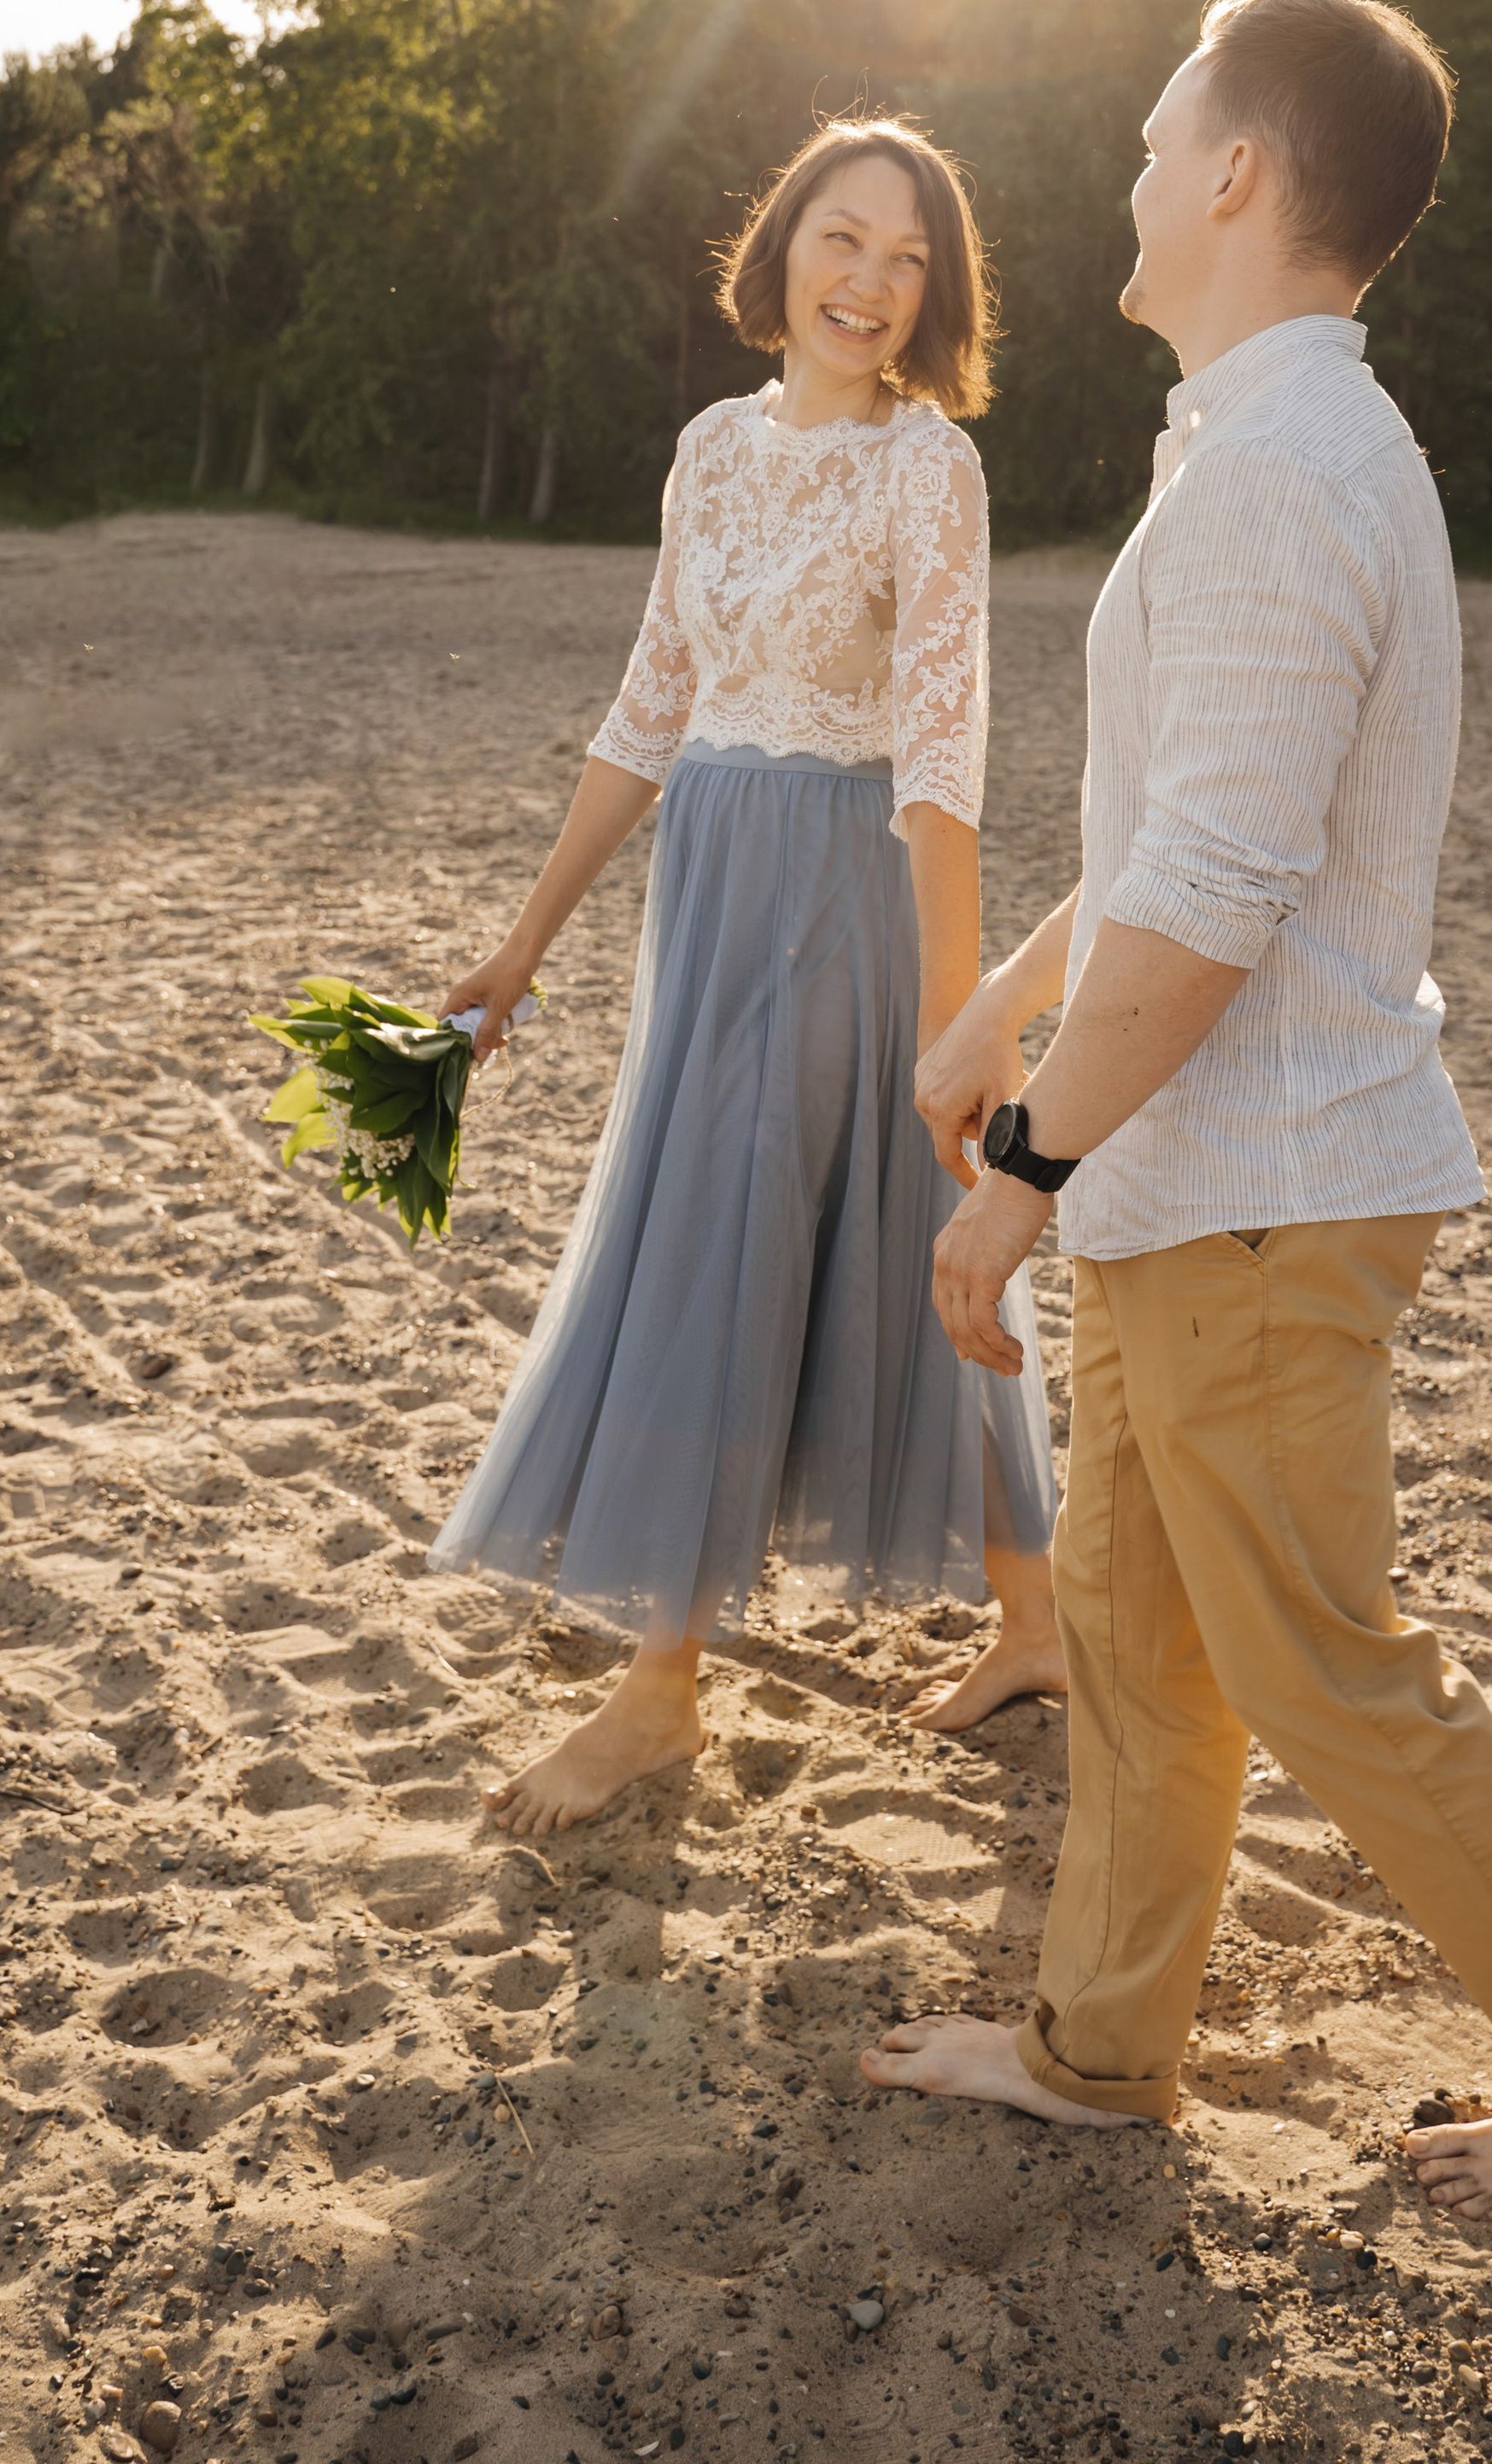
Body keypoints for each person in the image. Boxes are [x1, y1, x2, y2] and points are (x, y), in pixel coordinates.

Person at [858, 0, 1492, 2227]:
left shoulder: (1284, 473)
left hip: (1259, 1196)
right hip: (1191, 1181)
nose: (1133, 176)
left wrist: (1016, 1171)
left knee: (1332, 1679)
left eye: (1161, 137)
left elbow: (1229, 894)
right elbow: (1182, 839)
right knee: (1148, 1657)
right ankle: (1099, 2050)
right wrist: (1011, 1023)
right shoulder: (1253, 453)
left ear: (1239, 173)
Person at [429, 118, 1063, 1836]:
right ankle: (1044, 1620)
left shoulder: (928, 468)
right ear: (781, 246)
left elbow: (939, 760)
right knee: (867, 1238)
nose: (868, 282)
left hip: (840, 901)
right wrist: (519, 945)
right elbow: (647, 710)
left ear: (934, 293)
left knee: (735, 1236)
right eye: (841, 240)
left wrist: (961, 1024)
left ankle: (659, 1695)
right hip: (705, 892)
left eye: (907, 258)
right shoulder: (706, 451)